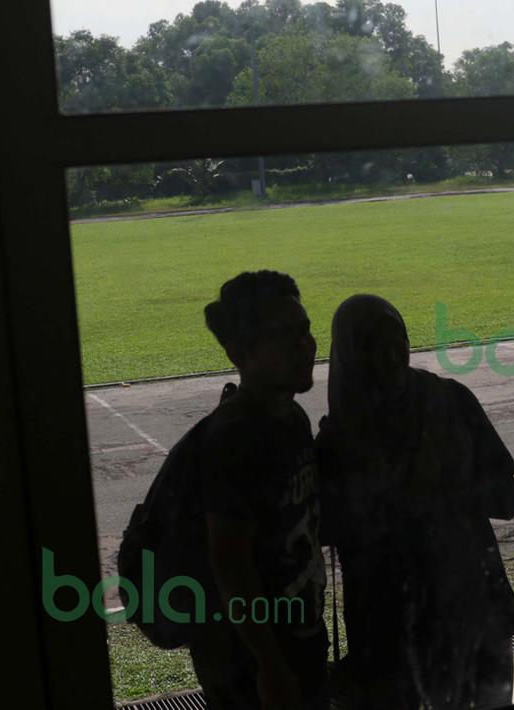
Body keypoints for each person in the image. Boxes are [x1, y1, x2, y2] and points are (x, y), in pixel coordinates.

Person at [317, 294, 514, 709]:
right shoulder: (449, 402)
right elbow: (505, 498)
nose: (392, 353)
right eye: (374, 343)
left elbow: (506, 499)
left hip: (405, 628)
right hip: (455, 614)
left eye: (397, 338)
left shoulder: (337, 440)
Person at [189, 270, 329, 710]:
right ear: (240, 353)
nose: (305, 345)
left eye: (305, 330)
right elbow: (229, 562)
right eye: (284, 336)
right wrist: (269, 665)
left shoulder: (292, 418)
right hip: (250, 661)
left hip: (297, 637)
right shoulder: (235, 438)